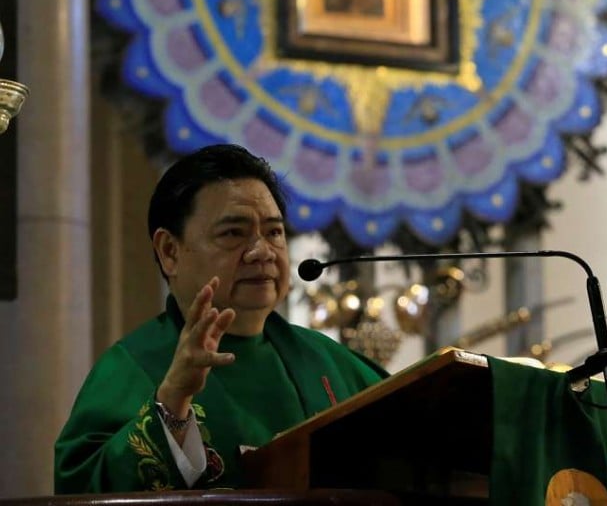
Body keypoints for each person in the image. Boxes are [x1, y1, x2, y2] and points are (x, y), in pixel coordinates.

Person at [53, 144, 389, 493]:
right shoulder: (133, 366)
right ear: (170, 252)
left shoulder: (329, 361)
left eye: (274, 232)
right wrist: (172, 402)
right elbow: (83, 489)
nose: (262, 251)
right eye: (233, 233)